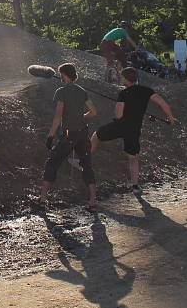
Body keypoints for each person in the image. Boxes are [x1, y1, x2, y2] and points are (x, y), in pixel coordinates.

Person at [90, 67, 177, 195]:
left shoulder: (123, 94)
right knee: (133, 158)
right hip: (134, 128)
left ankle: (83, 161)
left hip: (121, 125)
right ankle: (135, 186)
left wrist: (118, 110)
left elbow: (119, 115)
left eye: (121, 77)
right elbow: (163, 104)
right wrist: (170, 118)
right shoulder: (146, 91)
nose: (120, 79)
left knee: (96, 135)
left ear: (125, 79)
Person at [35, 63, 98, 210]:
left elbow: (58, 117)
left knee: (52, 163)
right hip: (83, 133)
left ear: (63, 75)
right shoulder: (82, 91)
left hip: (69, 134)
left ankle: (43, 198)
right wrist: (80, 117)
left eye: (61, 74)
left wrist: (50, 136)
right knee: (87, 165)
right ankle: (93, 201)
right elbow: (94, 112)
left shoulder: (61, 91)